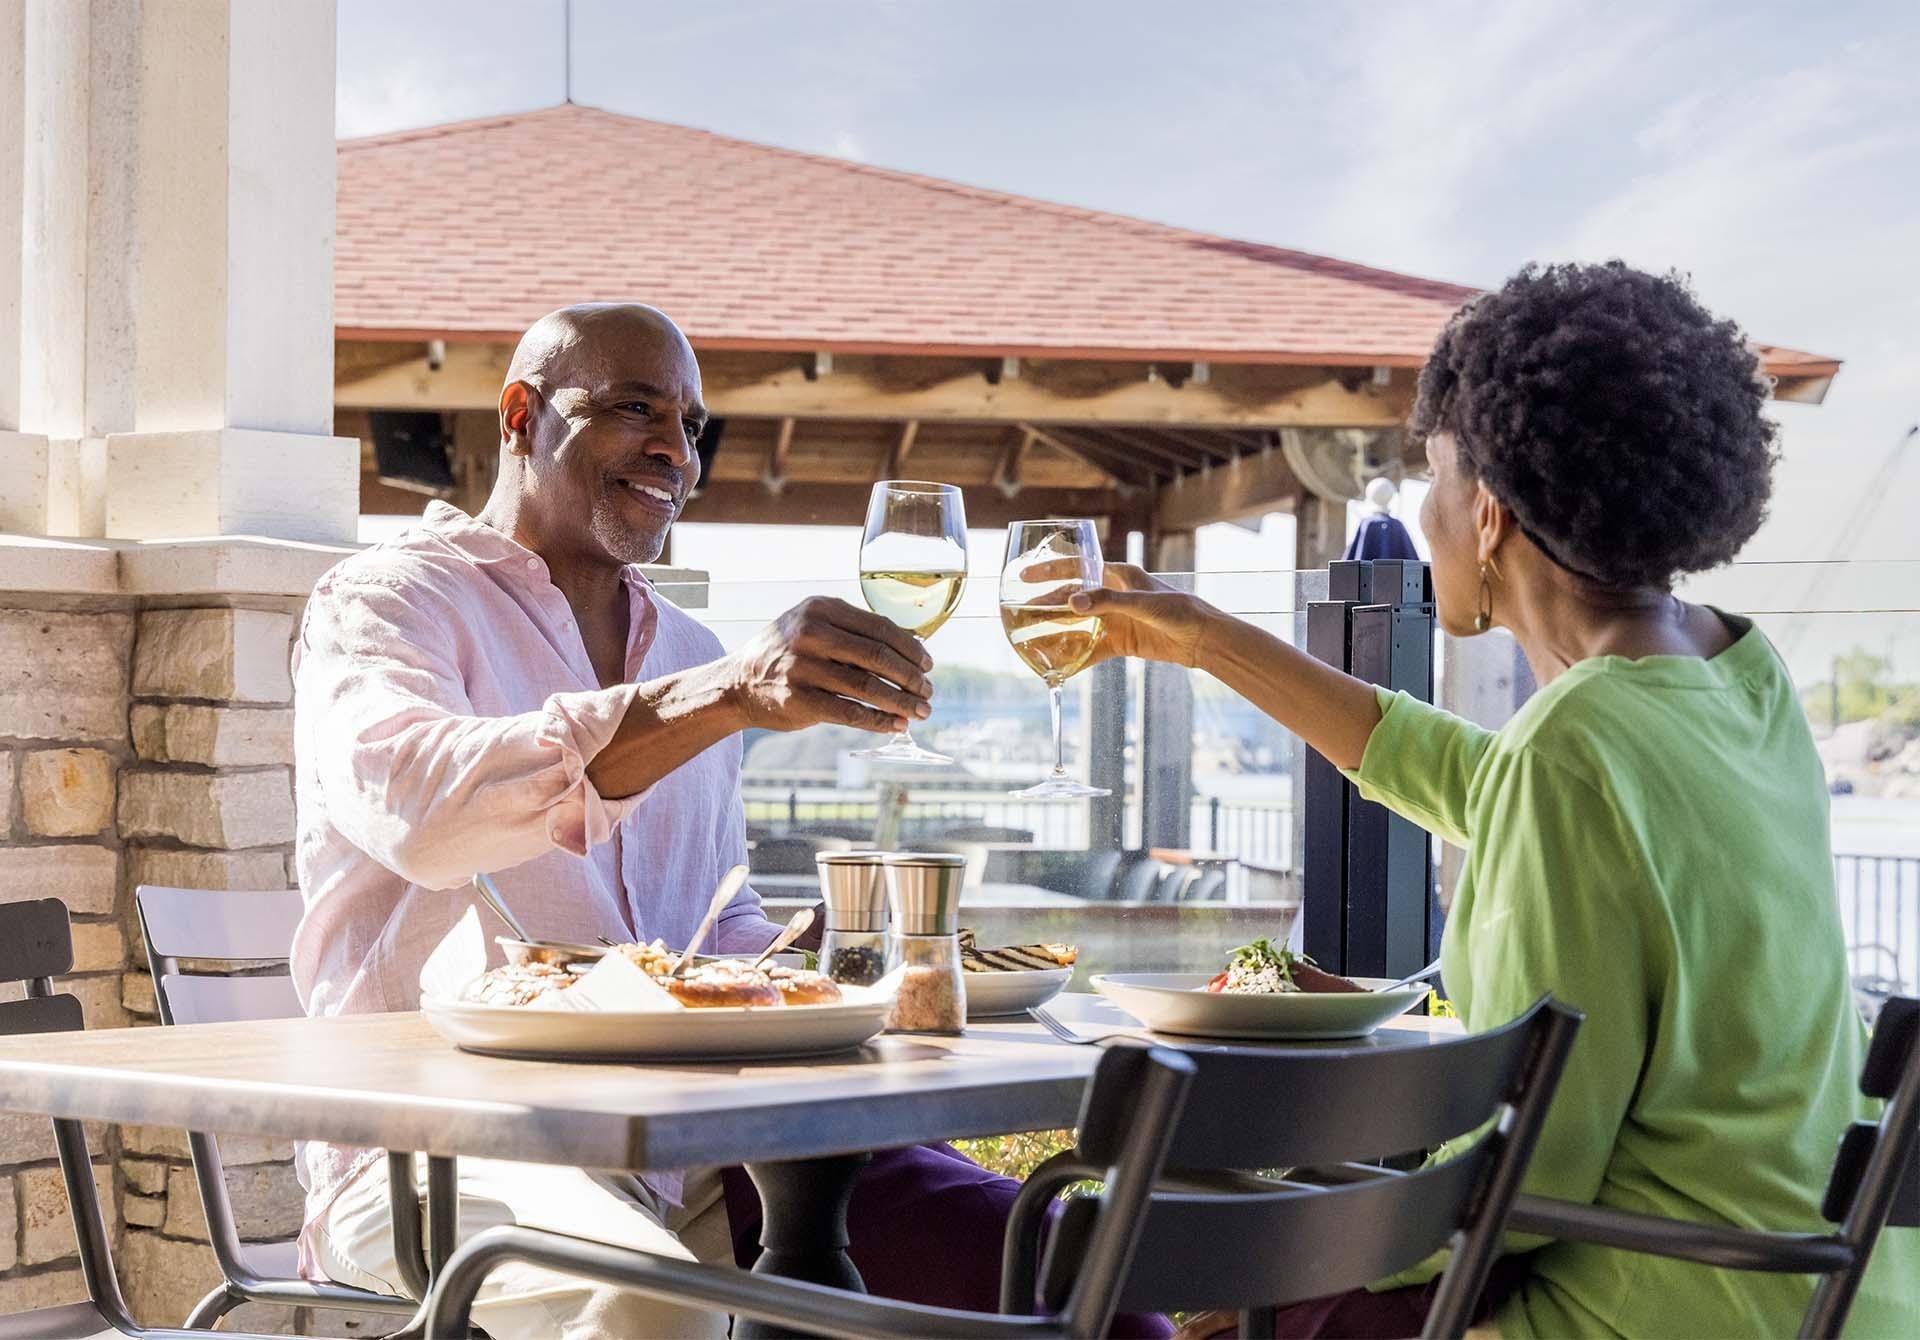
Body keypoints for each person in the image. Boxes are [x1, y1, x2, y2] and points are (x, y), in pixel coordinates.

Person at [1068, 263, 1918, 1339]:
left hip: (1672, 1302)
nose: (1423, 516)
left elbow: (1521, 1163)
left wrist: (1274, 1274)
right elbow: (1490, 784)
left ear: (1491, 510)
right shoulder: (1742, 685)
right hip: (1837, 1291)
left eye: (1431, 477)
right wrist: (1206, 637)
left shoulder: (1573, 748)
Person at [291, 303, 1170, 1339]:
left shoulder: (688, 647)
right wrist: (724, 695)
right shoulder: (387, 598)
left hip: (701, 1146)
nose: (676, 450)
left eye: (693, 424)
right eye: (635, 408)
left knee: (1075, 1275)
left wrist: (886, 960)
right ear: (521, 414)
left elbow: (715, 932)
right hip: (440, 1148)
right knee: (655, 1304)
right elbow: (422, 817)